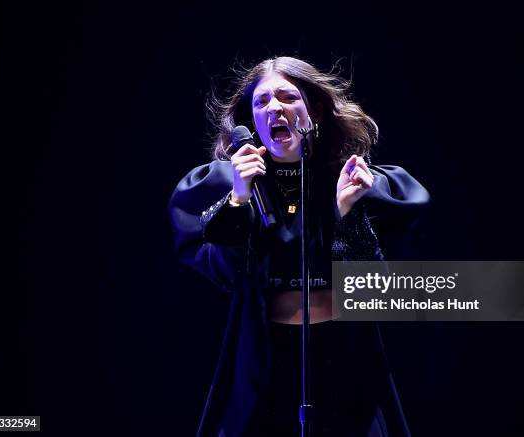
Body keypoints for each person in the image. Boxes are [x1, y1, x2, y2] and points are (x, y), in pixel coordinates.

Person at [169, 56, 430, 437]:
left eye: (287, 97)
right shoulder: (232, 185)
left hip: (343, 355)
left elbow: (379, 289)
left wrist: (346, 214)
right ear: (252, 122)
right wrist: (239, 200)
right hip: (267, 358)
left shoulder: (349, 179)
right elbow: (225, 273)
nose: (274, 108)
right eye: (261, 102)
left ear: (315, 112)